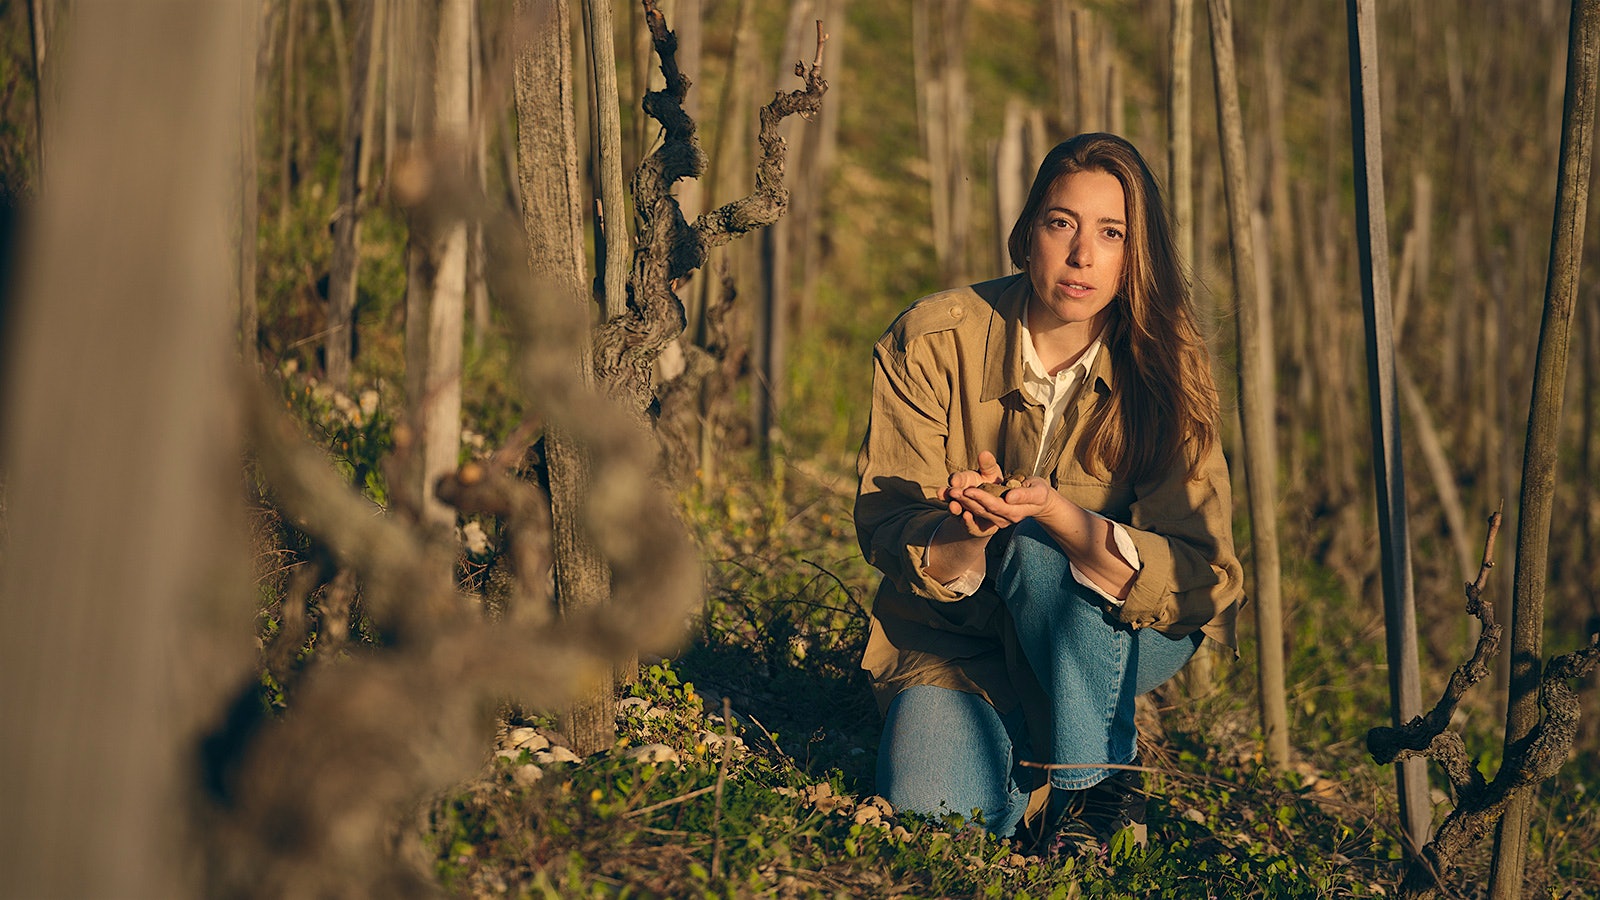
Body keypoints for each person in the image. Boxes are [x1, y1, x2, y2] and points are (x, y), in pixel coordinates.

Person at [853, 132, 1245, 849]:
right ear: (1027, 232)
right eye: (1062, 223)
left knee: (1036, 548)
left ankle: (1096, 786)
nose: (1082, 255)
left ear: (1136, 254)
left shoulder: (1165, 371)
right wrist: (967, 531)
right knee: (929, 811)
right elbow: (887, 526)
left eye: (1111, 233)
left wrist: (1063, 519)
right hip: (958, 643)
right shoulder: (932, 340)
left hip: (1117, 632)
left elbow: (1207, 576)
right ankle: (1053, 752)